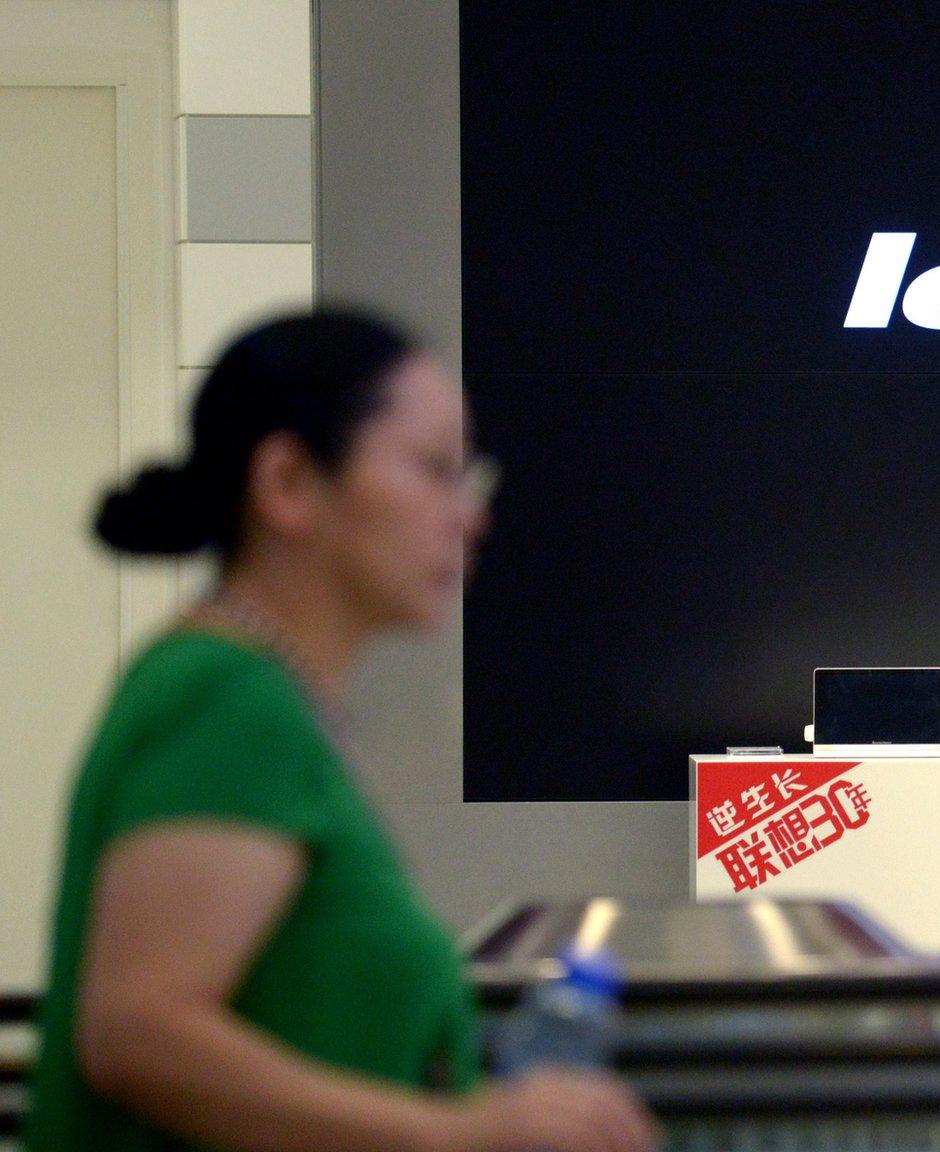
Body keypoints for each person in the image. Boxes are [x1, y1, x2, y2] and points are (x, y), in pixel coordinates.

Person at [24, 312, 658, 1152]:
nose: (468, 517)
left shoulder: (266, 701)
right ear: (288, 483)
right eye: (435, 470)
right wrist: (455, 1133)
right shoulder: (227, 698)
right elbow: (140, 1033)